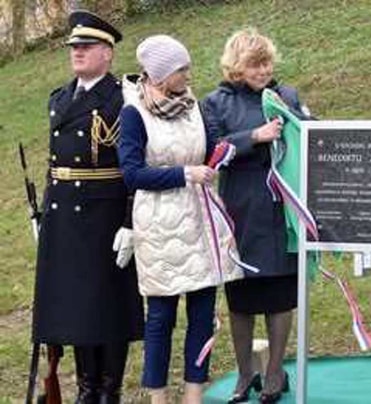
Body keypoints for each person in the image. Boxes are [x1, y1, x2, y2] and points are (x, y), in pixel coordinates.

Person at [118, 35, 243, 403]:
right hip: (159, 224)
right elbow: (132, 174)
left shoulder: (193, 106)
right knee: (161, 317)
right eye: (181, 69)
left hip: (199, 218)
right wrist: (185, 174)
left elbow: (213, 144)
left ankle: (193, 393)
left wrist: (225, 151)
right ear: (159, 75)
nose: (188, 75)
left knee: (203, 312)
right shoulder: (133, 113)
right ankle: (158, 396)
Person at [31, 10, 144, 403]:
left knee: (107, 304)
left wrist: (130, 221)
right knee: (78, 305)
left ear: (107, 53)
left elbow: (136, 164)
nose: (77, 52)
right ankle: (86, 387)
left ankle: (108, 389)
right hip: (65, 217)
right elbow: (53, 165)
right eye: (74, 47)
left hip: (106, 216)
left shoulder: (123, 97)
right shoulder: (60, 98)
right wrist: (45, 214)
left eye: (86, 46)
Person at [202, 28, 310, 404]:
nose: (264, 70)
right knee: (241, 296)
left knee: (280, 293)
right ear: (237, 65)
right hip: (239, 207)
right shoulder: (215, 102)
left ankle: (275, 372)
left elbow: (308, 137)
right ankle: (245, 371)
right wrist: (254, 137)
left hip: (281, 207)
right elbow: (212, 152)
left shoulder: (286, 95)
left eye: (267, 62)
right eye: (254, 64)